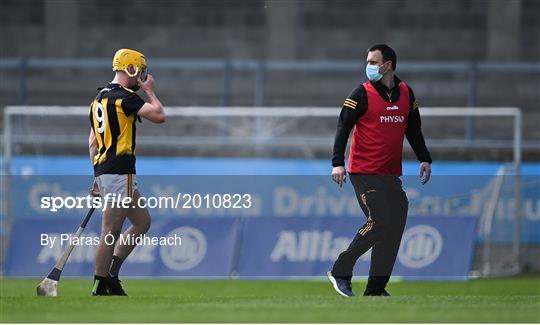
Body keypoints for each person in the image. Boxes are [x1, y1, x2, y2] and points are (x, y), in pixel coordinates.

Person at [327, 44, 432, 297]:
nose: (369, 67)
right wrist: (337, 163)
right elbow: (343, 129)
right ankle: (341, 270)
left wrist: (424, 158)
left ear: (388, 65)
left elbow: (414, 129)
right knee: (380, 221)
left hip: (390, 174)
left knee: (395, 224)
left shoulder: (407, 93)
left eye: (374, 62)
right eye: (368, 62)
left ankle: (375, 288)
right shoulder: (359, 94)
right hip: (364, 173)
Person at [88, 48, 165, 295]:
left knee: (142, 222)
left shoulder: (98, 99)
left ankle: (111, 273)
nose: (140, 77)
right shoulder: (125, 97)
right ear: (129, 68)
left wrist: (97, 177)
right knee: (110, 231)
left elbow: (91, 142)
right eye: (139, 71)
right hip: (120, 170)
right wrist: (150, 91)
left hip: (110, 170)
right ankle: (100, 283)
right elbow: (159, 115)